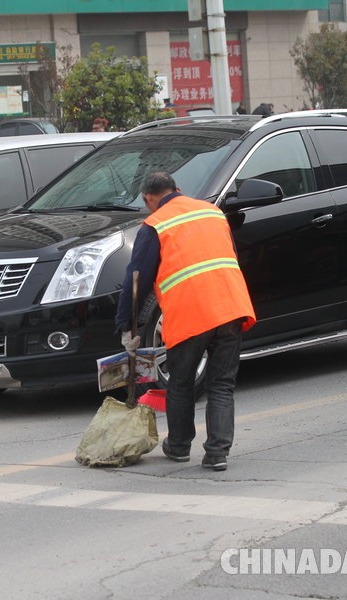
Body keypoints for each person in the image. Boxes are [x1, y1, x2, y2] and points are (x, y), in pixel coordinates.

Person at [116, 171, 256, 470]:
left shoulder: (154, 224)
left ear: (148, 199)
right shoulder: (213, 212)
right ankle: (218, 453)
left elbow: (136, 280)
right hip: (231, 307)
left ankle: (179, 447)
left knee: (180, 383)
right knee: (221, 385)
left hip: (191, 314)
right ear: (178, 190)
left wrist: (127, 326)